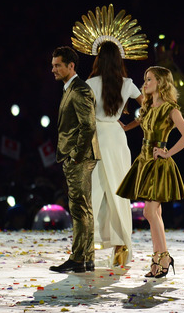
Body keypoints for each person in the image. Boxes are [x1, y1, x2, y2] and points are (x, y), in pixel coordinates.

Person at [116, 66, 184, 278]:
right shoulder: (148, 107)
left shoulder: (170, 108)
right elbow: (138, 122)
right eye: (145, 79)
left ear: (160, 82)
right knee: (153, 213)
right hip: (144, 160)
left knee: (150, 212)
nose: (145, 83)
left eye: (149, 79)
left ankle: (163, 257)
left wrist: (168, 153)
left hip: (158, 163)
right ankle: (159, 257)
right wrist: (123, 126)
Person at [86, 40, 143, 268]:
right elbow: (149, 107)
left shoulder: (89, 83)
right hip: (118, 139)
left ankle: (86, 249)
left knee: (94, 193)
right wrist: (129, 126)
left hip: (97, 137)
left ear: (99, 59)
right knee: (119, 193)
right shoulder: (127, 83)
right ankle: (121, 249)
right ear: (119, 59)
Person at [50, 46, 100, 273]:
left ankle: (79, 258)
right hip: (80, 156)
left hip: (80, 157)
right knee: (83, 208)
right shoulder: (72, 88)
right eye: (53, 65)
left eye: (57, 65)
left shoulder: (79, 89)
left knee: (80, 208)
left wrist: (76, 156)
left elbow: (88, 125)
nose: (53, 69)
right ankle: (86, 258)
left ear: (71, 66)